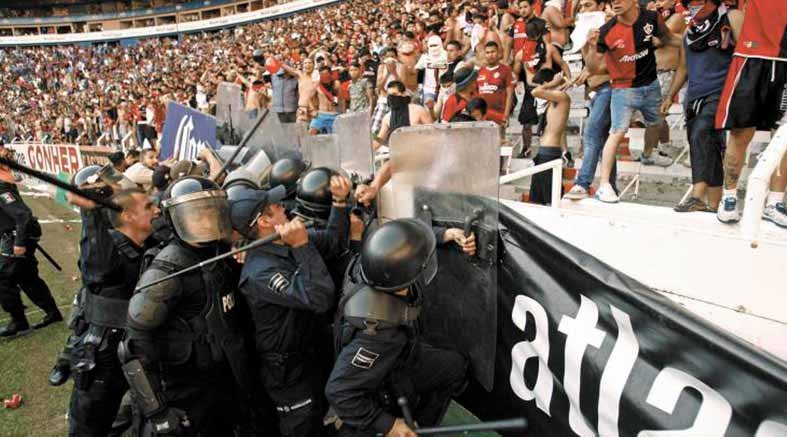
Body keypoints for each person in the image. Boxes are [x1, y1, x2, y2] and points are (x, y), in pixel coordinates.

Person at [120, 177, 253, 436]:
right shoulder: (166, 270)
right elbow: (134, 344)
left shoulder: (222, 250)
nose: (207, 220)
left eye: (211, 211)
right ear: (177, 218)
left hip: (226, 378)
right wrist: (157, 410)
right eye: (196, 215)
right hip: (186, 387)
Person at [325, 219, 469, 437]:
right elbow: (340, 391)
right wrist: (389, 425)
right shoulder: (379, 333)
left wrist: (444, 234)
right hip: (384, 374)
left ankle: (422, 423)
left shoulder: (372, 265)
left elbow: (399, 240)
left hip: (404, 353)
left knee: (454, 366)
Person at [232, 176, 351, 437]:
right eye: (276, 207)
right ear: (264, 222)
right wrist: (301, 246)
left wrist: (340, 202)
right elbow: (319, 298)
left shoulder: (282, 240)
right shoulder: (260, 272)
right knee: (303, 425)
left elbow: (334, 242)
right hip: (288, 370)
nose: (283, 208)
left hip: (312, 350)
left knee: (322, 417)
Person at [67, 189, 160, 437]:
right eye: (149, 207)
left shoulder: (148, 243)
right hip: (104, 356)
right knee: (90, 425)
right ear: (128, 216)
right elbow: (97, 262)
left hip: (138, 349)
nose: (157, 210)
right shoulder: (105, 255)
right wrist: (91, 213)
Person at [594, 0, 683, 203]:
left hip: (651, 84)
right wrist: (589, 50)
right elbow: (595, 67)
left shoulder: (650, 18)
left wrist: (695, 41)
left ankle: (648, 153)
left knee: (657, 122)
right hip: (623, 90)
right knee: (616, 133)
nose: (615, 2)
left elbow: (669, 38)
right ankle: (604, 184)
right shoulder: (606, 31)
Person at [661, 0, 743, 212]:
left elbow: (746, 54)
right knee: (710, 146)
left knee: (701, 134)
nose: (694, 4)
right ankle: (714, 205)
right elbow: (682, 68)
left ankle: (697, 195)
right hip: (694, 97)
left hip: (721, 92)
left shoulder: (730, 17)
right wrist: (670, 96)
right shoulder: (690, 32)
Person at [715, 0, 787, 227]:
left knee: (783, 139)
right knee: (740, 133)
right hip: (752, 57)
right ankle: (729, 197)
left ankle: (774, 202)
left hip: (785, 61)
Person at [0, 148, 61, 338]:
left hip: (18, 235)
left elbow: (22, 214)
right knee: (27, 277)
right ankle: (52, 313)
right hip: (18, 233)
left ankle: (18, 321)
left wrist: (19, 242)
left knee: (3, 278)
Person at [564, 0, 619, 199]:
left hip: (609, 88)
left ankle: (582, 183)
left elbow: (605, 67)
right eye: (581, 7)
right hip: (597, 91)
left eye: (588, 5)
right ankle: (610, 186)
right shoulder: (585, 34)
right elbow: (591, 67)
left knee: (591, 135)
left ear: (600, 6)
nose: (583, 10)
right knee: (603, 141)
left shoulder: (613, 26)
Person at [530, 68, 570, 204]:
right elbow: (562, 129)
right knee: (536, 199)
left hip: (549, 153)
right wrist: (566, 150)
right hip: (543, 152)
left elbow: (535, 92)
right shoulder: (552, 102)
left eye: (542, 84)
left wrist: (553, 83)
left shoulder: (562, 97)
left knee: (551, 198)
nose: (541, 88)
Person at [374, 81, 433, 149]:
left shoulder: (418, 111)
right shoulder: (387, 118)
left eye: (394, 94)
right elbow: (379, 140)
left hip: (419, 152)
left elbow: (433, 133)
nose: (392, 98)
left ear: (403, 94)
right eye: (390, 96)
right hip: (400, 154)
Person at [477, 41, 515, 131]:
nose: (490, 55)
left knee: (499, 142)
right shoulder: (480, 71)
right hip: (483, 116)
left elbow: (510, 94)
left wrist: (506, 115)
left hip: (499, 115)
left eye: (493, 52)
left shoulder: (505, 70)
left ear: (499, 53)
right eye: (487, 52)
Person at [309, 66, 343, 135]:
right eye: (322, 74)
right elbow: (309, 98)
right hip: (321, 114)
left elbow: (341, 99)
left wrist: (343, 113)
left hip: (334, 115)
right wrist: (312, 110)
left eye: (326, 73)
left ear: (330, 74)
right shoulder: (317, 84)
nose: (325, 76)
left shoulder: (336, 83)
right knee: (311, 133)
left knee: (335, 138)